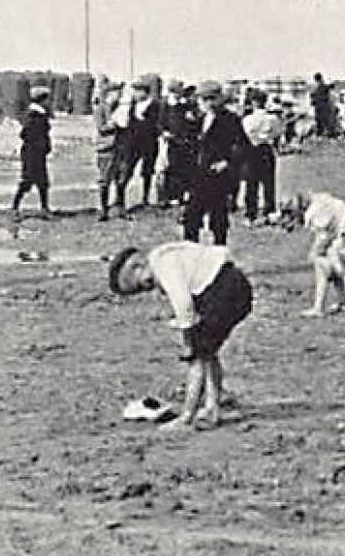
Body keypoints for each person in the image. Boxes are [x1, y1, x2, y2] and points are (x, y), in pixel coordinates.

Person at [108, 241, 253, 429]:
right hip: (233, 284)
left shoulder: (162, 264)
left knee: (197, 357)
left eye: (144, 285)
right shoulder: (167, 253)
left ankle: (187, 417)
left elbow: (182, 302)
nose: (151, 290)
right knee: (208, 352)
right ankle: (212, 406)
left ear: (138, 265)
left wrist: (187, 336)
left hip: (222, 290)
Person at [182, 82, 246, 246]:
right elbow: (189, 145)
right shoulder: (197, 119)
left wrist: (228, 162)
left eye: (212, 99)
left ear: (220, 99)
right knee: (191, 216)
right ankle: (191, 253)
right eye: (204, 99)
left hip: (219, 176)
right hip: (198, 175)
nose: (208, 103)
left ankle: (219, 254)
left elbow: (242, 146)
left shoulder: (231, 120)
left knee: (218, 218)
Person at [290, 192, 345, 317]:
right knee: (331, 261)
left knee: (322, 263)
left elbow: (324, 236)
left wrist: (314, 252)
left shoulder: (315, 213)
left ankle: (318, 307)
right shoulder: (321, 200)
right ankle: (343, 300)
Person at [239, 94, 283, 225]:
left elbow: (245, 134)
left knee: (251, 184)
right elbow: (278, 132)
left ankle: (250, 214)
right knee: (269, 182)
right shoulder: (272, 119)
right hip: (266, 149)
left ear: (253, 103)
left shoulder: (247, 119)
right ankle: (270, 212)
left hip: (252, 150)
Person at [12, 85, 53, 220]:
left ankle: (44, 208)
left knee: (42, 181)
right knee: (27, 180)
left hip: (38, 152)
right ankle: (15, 207)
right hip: (32, 152)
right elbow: (25, 134)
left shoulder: (39, 113)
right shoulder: (33, 115)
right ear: (42, 100)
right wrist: (39, 143)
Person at [120, 79, 162, 209]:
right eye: (134, 91)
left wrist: (142, 120)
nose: (135, 94)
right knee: (127, 169)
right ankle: (120, 199)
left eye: (138, 91)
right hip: (132, 143)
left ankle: (145, 198)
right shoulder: (132, 105)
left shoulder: (155, 105)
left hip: (149, 143)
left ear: (145, 92)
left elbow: (156, 124)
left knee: (147, 171)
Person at [93, 82, 131, 220]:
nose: (120, 95)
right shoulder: (101, 109)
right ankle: (103, 210)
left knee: (121, 178)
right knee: (105, 179)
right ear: (110, 93)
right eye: (118, 92)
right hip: (106, 148)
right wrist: (114, 124)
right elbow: (101, 128)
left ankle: (120, 208)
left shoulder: (120, 108)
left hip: (120, 148)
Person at [309, 72, 334, 138]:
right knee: (325, 122)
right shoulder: (323, 87)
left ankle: (322, 134)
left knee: (321, 122)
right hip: (323, 107)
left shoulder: (316, 89)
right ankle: (326, 134)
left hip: (320, 108)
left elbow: (313, 100)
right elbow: (331, 86)